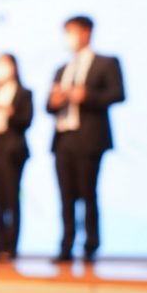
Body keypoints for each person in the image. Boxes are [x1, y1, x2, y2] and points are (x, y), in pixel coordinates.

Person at [46, 15, 125, 263]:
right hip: (63, 138)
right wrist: (55, 101)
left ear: (86, 32)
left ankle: (91, 245)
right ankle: (66, 245)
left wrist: (86, 96)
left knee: (88, 193)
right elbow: (48, 106)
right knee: (66, 196)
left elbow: (118, 93)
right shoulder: (62, 69)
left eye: (72, 31)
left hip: (90, 137)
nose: (68, 38)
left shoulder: (106, 63)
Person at [0, 53, 34, 261]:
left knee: (12, 199)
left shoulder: (23, 93)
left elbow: (26, 121)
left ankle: (11, 247)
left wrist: (11, 113)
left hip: (13, 150)